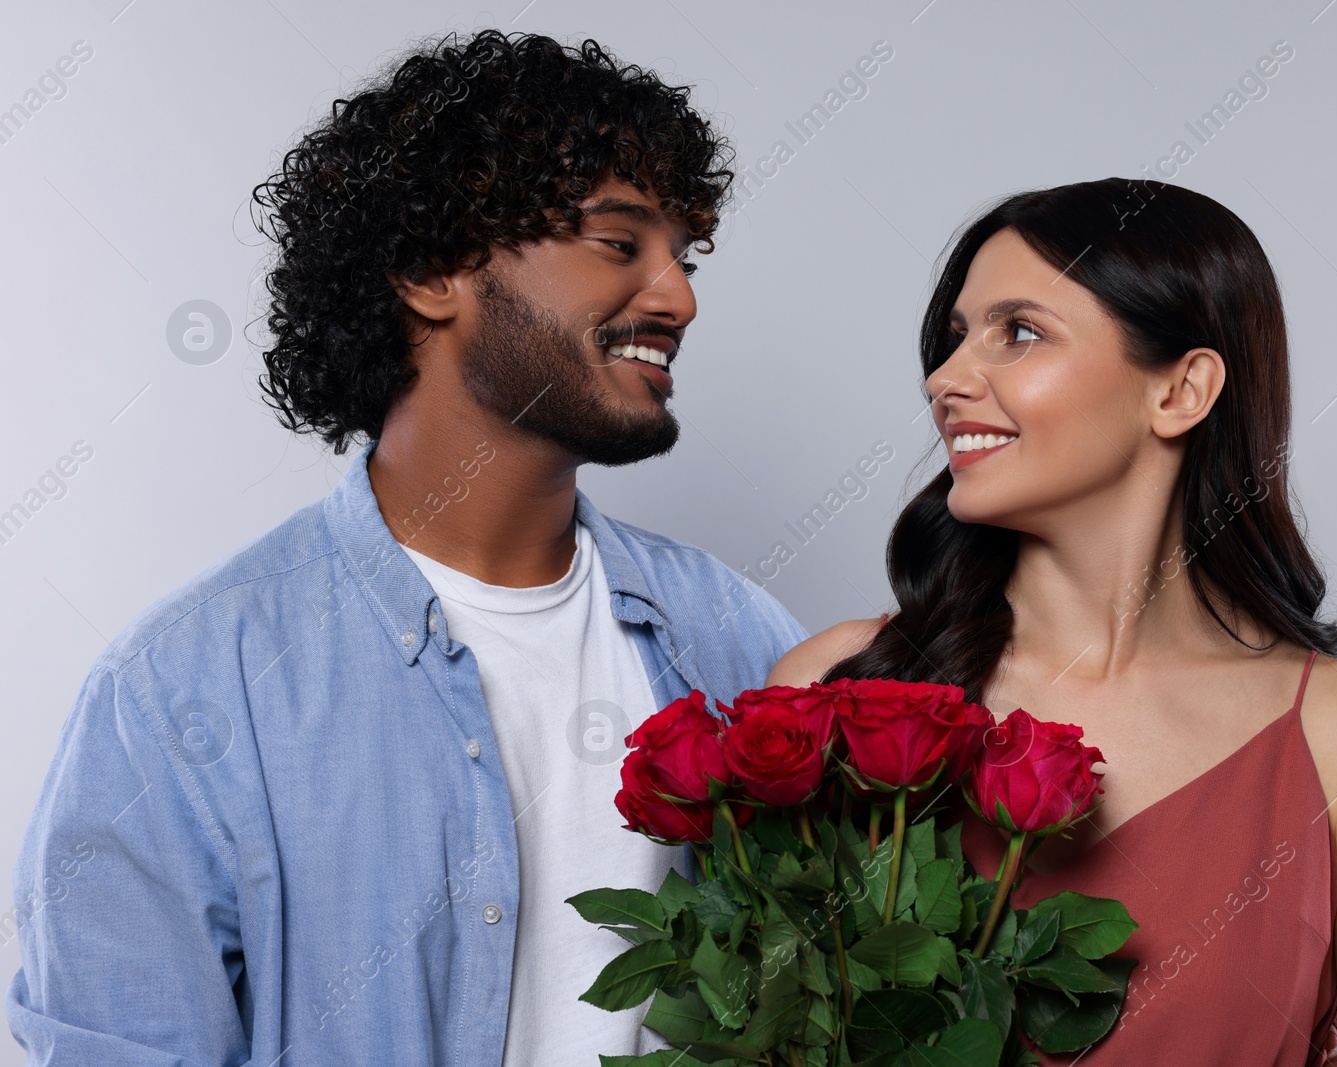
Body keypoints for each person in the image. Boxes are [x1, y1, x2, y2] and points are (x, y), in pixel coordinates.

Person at [6, 29, 807, 1065]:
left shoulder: (742, 641)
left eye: (684, 257)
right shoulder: (184, 691)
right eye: (621, 244)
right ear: (433, 272)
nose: (679, 296)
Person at [767, 179, 1337, 1064]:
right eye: (956, 337)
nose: (947, 379)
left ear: (1182, 390)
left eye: (1018, 332)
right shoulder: (839, 690)